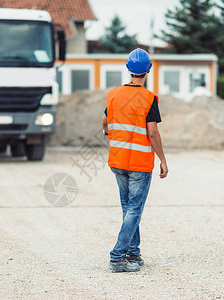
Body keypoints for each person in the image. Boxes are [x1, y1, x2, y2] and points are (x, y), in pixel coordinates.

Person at [101, 48, 168, 272]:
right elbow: (153, 133)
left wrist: (109, 134)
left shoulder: (113, 94)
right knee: (134, 209)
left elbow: (104, 122)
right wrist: (163, 159)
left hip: (117, 161)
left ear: (128, 69)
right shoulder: (149, 98)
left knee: (128, 208)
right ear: (148, 70)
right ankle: (118, 257)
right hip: (139, 163)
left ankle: (133, 252)